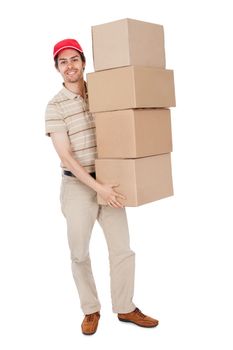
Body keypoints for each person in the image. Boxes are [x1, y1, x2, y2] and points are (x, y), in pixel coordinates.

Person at [45, 38, 159, 335]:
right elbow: (66, 156)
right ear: (57, 68)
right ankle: (90, 309)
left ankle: (125, 307)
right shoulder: (54, 106)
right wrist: (99, 188)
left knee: (122, 249)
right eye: (63, 62)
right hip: (78, 186)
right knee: (79, 253)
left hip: (111, 179)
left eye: (74, 59)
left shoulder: (104, 93)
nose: (69, 66)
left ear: (83, 62)